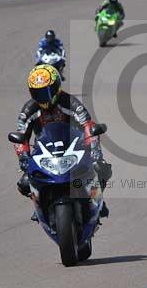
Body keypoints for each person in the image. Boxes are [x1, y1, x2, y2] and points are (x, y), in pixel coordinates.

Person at [14, 64, 111, 221]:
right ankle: (40, 206)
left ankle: (97, 200)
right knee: (25, 183)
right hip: (45, 151)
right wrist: (24, 158)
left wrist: (95, 153)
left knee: (102, 169)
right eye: (37, 92)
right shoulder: (29, 109)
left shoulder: (70, 102)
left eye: (45, 91)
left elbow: (88, 125)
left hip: (74, 147)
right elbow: (20, 135)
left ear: (56, 87)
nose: (42, 97)